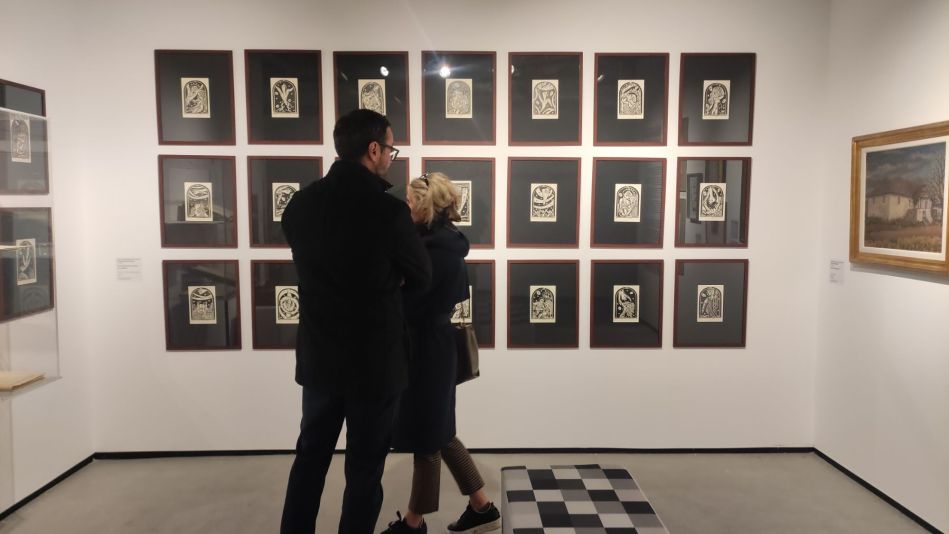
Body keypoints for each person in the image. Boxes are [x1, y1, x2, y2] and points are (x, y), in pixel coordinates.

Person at [280, 109, 432, 534]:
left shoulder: (300, 205)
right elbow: (421, 277)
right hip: (374, 363)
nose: (391, 159)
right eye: (391, 150)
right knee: (364, 470)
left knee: (310, 460)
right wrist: (389, 280)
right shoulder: (388, 212)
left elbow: (310, 265)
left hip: (320, 358)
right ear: (373, 150)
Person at [381, 173, 501, 534]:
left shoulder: (431, 251)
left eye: (410, 201)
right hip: (433, 345)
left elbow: (409, 303)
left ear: (425, 206)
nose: (405, 207)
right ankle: (482, 507)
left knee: (426, 438)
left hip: (426, 348)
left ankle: (413, 523)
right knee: (441, 431)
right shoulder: (446, 244)